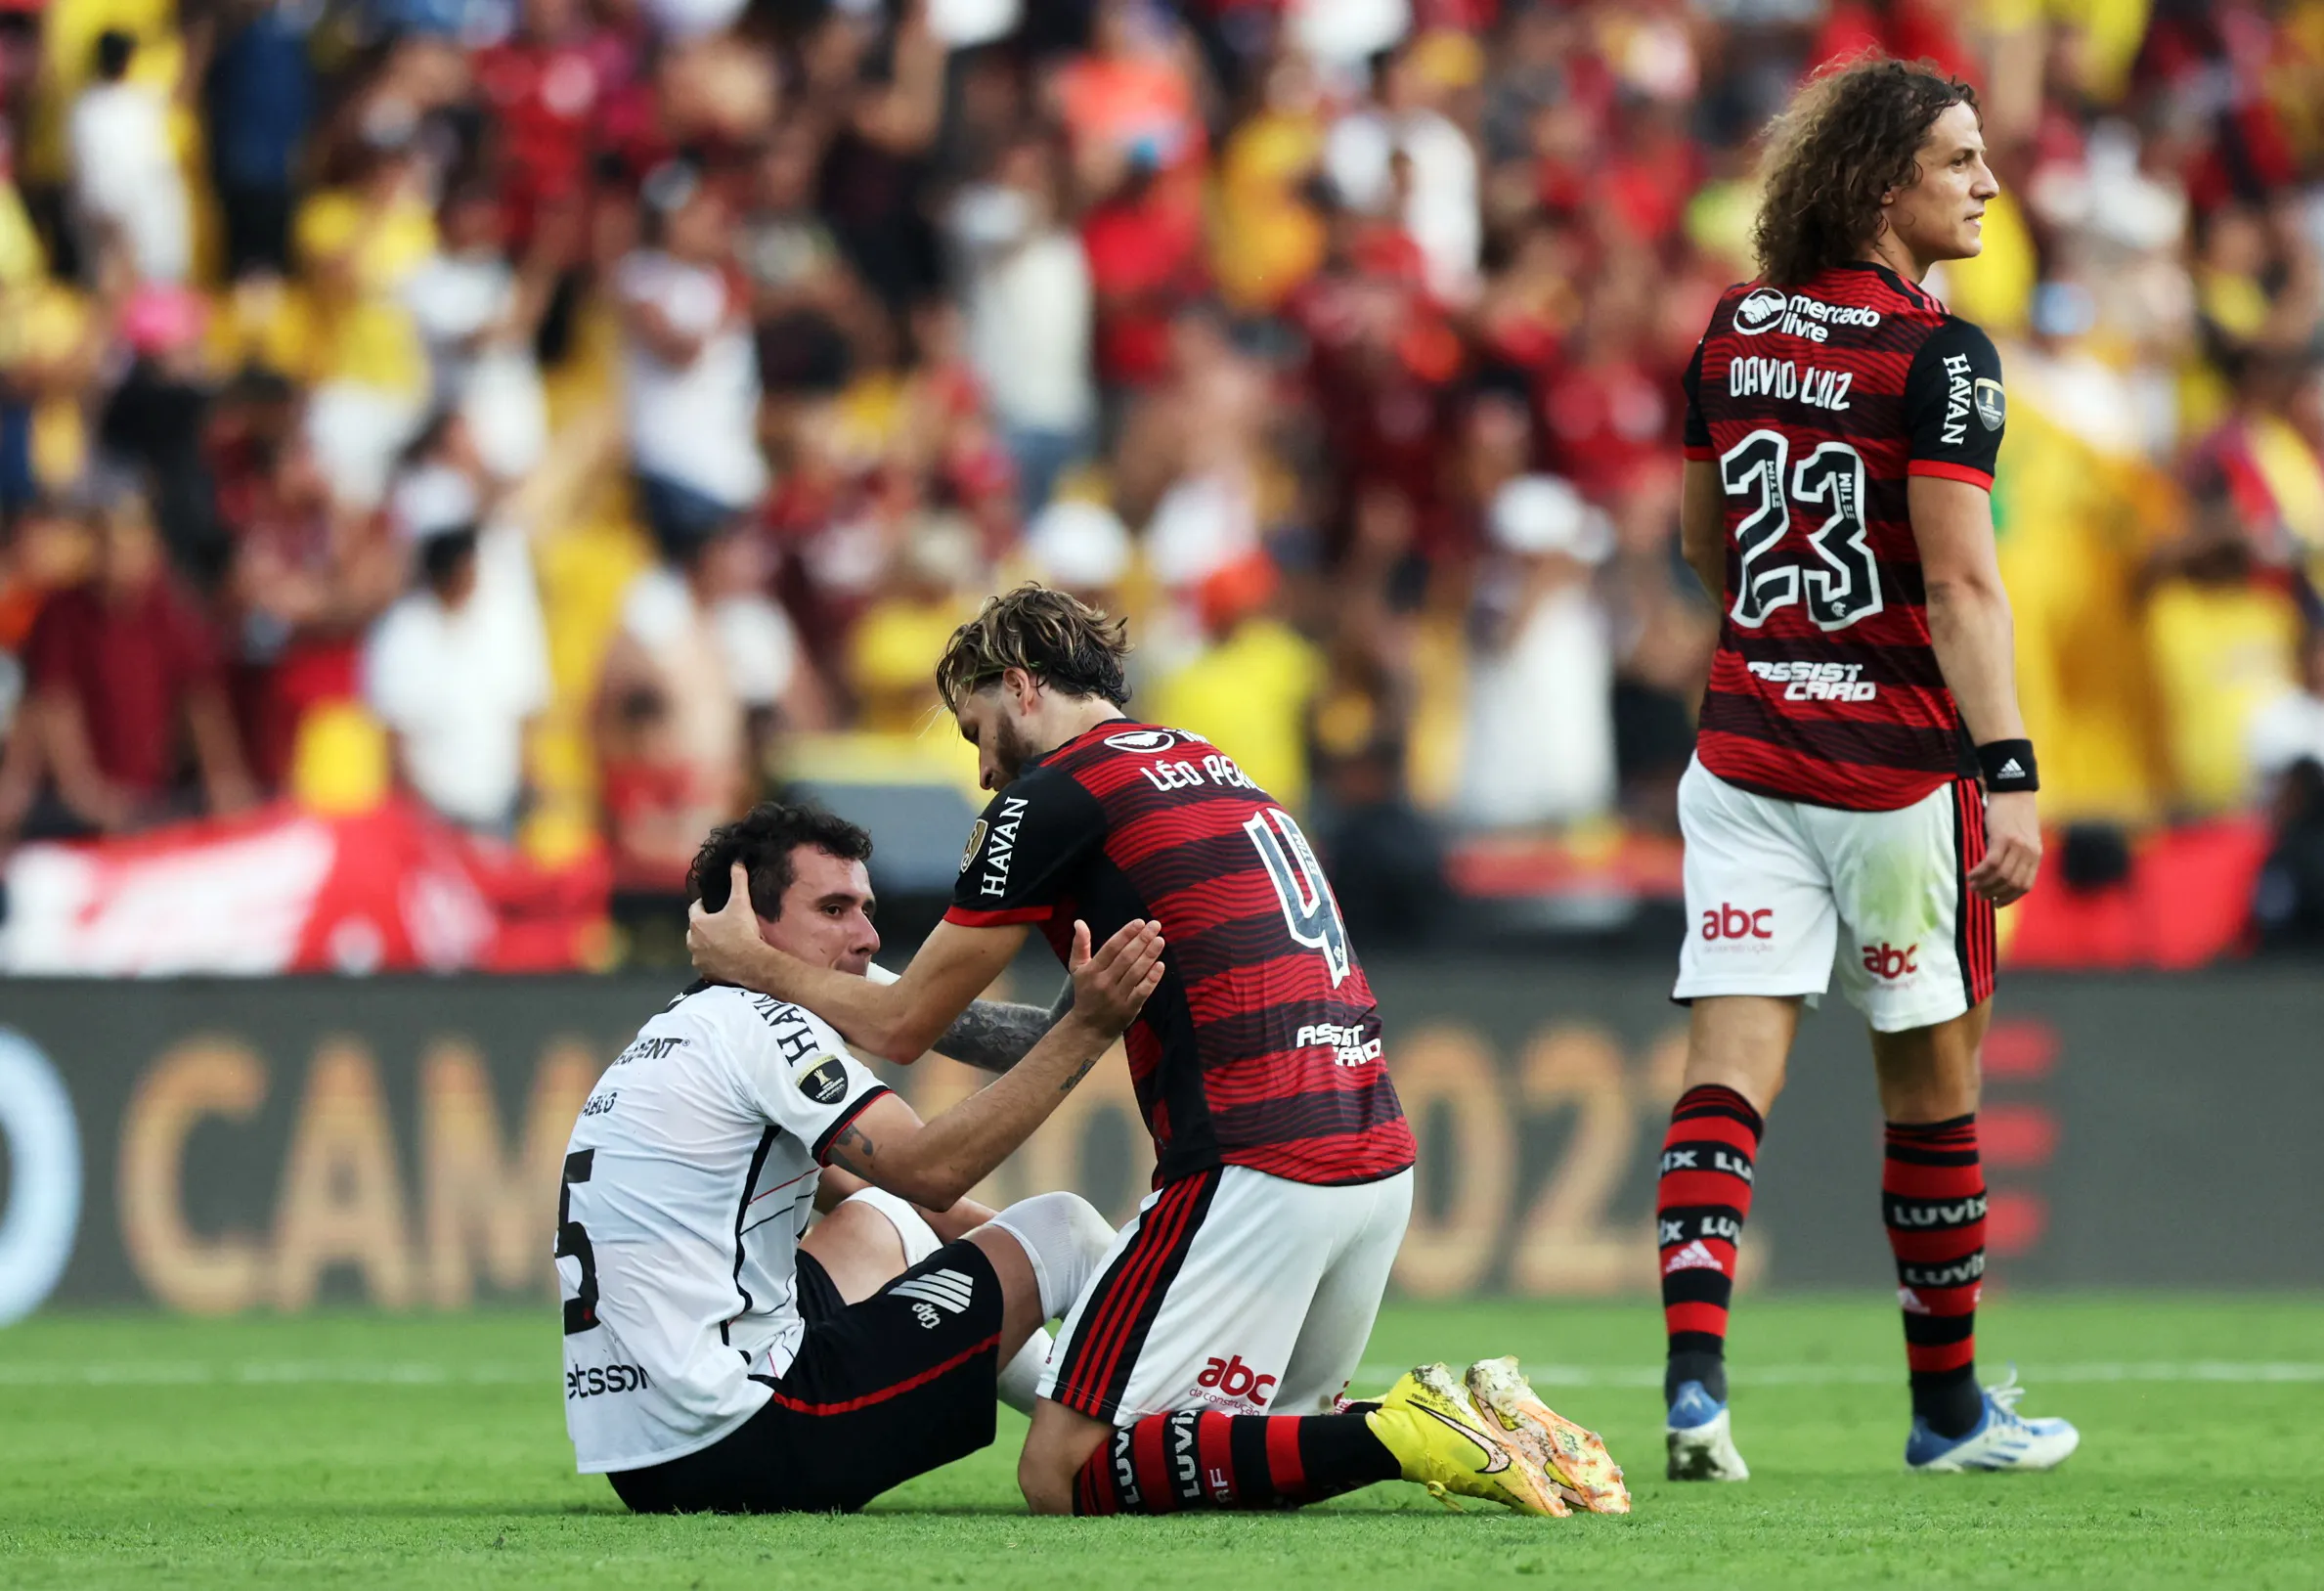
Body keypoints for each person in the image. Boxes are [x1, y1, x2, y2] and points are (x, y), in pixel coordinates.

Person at [688, 584, 1627, 1520]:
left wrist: (749, 963)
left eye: (976, 730)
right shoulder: (1202, 763)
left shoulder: (1046, 797)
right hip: (1374, 1164)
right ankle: (1478, 1412)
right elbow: (1061, 1029)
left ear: (1019, 687)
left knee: (1060, 1471)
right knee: (1250, 1450)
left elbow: (903, 1030)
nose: (981, 770)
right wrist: (908, 998)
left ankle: (1396, 1426)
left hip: (1252, 1165)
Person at [1662, 57, 2078, 1481]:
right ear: (1882, 181)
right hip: (1895, 770)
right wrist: (2009, 764)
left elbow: (1703, 540)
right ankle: (1948, 1411)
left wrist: (1782, 644)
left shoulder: (1728, 328)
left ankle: (1695, 1384)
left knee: (1726, 1073)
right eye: (1960, 161)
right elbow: (1962, 587)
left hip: (1741, 749)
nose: (1987, 184)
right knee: (1930, 1088)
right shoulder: (1938, 356)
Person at [562, 802, 1156, 1514]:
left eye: (866, 908)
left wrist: (1003, 1260)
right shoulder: (766, 1024)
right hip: (744, 1432)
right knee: (1067, 1229)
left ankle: (1103, 1403)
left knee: (885, 1214)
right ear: (748, 924)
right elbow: (929, 1168)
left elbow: (947, 1056)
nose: (868, 936)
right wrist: (1089, 1028)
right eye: (835, 908)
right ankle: (1159, 1419)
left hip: (649, 1456)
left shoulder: (688, 1024)